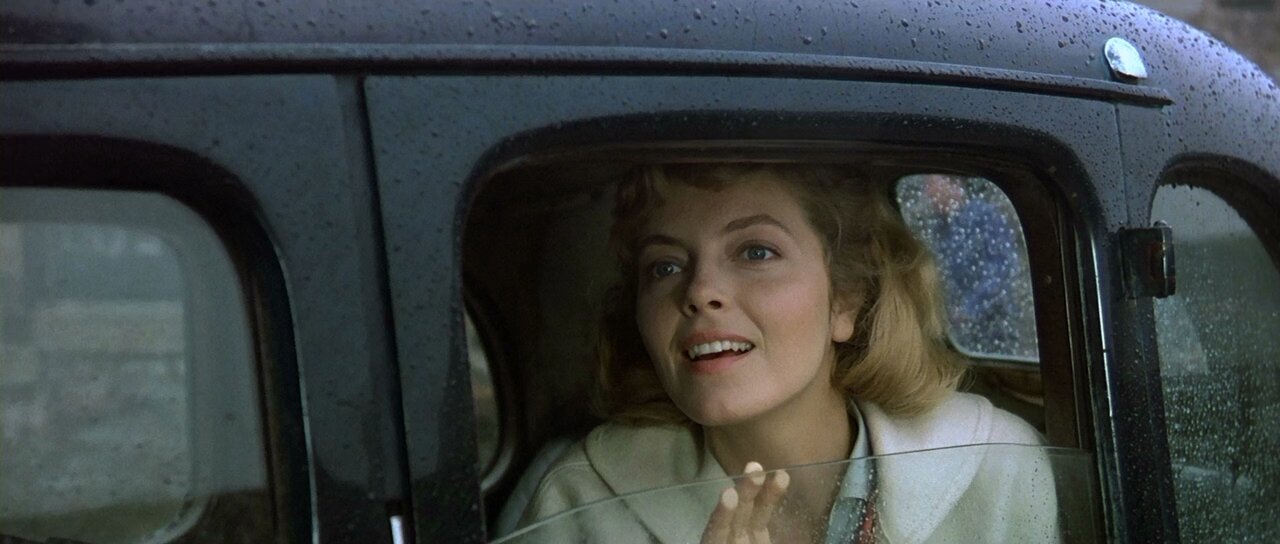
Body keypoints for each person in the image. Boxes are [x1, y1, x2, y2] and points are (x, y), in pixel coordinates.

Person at [513, 164, 1057, 543]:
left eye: (756, 251)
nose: (699, 291)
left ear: (845, 297)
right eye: (665, 266)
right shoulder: (580, 504)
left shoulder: (997, 468)